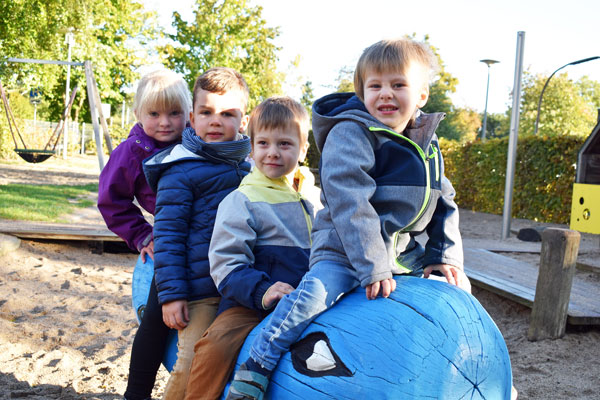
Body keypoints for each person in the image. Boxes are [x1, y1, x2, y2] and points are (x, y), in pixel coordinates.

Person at [226, 38, 472, 399]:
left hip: (402, 250)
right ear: (362, 93)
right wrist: (373, 267)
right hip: (344, 249)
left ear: (421, 95)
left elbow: (443, 198)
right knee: (313, 298)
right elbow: (350, 203)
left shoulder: (425, 139)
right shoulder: (351, 133)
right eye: (375, 86)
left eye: (398, 85)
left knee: (459, 288)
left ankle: (473, 372)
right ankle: (257, 364)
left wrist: (443, 256)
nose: (385, 94)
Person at [184, 96, 321, 400]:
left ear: (303, 150)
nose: (272, 153)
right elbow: (226, 264)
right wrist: (263, 292)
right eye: (263, 143)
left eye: (284, 144)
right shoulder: (242, 200)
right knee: (215, 344)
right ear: (252, 146)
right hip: (251, 304)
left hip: (306, 300)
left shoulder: (310, 198)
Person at [142, 67, 252, 400]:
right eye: (206, 112)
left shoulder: (249, 168)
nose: (215, 121)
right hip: (200, 291)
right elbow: (170, 237)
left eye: (228, 113)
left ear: (243, 121)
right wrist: (172, 295)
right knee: (191, 360)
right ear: (192, 117)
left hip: (240, 287)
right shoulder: (181, 169)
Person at [96, 69, 191, 400]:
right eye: (154, 114)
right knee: (156, 319)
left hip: (212, 241)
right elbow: (112, 200)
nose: (165, 122)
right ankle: (135, 393)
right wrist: (141, 235)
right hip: (169, 245)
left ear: (188, 114)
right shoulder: (132, 151)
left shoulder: (195, 141)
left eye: (174, 113)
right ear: (138, 114)